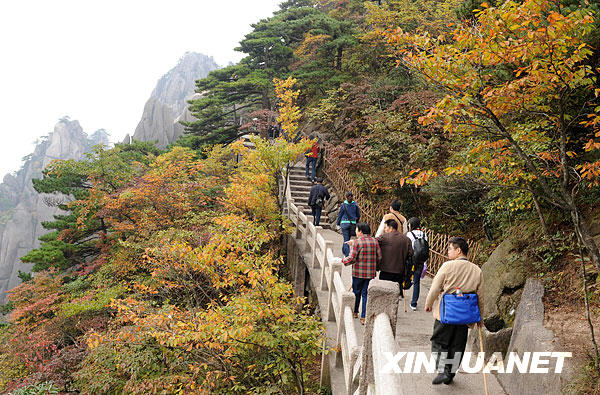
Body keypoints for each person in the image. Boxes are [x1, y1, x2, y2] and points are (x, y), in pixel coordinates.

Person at [424, 237, 484, 385]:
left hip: (446, 313)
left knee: (439, 341)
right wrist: (480, 318)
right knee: (458, 345)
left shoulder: (447, 266)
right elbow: (481, 297)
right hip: (465, 316)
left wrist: (429, 303)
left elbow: (435, 288)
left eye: (450, 248)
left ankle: (443, 369)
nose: (448, 251)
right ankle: (450, 374)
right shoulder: (477, 270)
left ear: (458, 250)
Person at [342, 222, 381, 325]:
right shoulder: (374, 241)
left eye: (356, 230)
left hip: (358, 273)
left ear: (360, 231)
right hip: (370, 274)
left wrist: (343, 261)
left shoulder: (357, 242)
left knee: (356, 292)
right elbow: (379, 257)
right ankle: (364, 316)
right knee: (366, 294)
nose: (355, 231)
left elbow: (351, 258)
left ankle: (355, 312)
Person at [376, 219, 413, 298]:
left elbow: (373, 243)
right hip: (399, 271)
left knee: (383, 294)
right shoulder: (406, 239)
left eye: (386, 228)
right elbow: (411, 254)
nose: (385, 230)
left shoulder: (384, 237)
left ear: (391, 228)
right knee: (394, 294)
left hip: (385, 270)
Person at [407, 217, 428, 311]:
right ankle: (414, 303)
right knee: (417, 282)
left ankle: (401, 291)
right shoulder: (424, 235)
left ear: (411, 225)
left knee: (406, 276)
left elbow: (408, 247)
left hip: (411, 260)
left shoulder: (409, 234)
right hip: (421, 261)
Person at [336, 192, 361, 257]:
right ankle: (344, 251)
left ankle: (347, 255)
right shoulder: (355, 205)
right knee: (348, 239)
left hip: (344, 224)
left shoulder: (343, 205)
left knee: (346, 240)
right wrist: (356, 221)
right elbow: (358, 215)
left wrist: (338, 224)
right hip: (353, 224)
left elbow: (340, 215)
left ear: (346, 197)